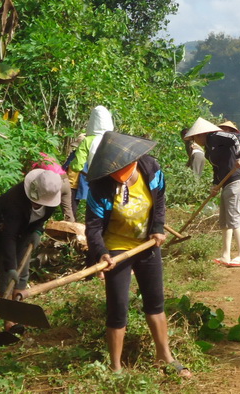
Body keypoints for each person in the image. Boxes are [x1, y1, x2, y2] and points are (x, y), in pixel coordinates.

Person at [85, 131, 191, 377]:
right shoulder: (100, 186)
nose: (121, 180)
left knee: (155, 302)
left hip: (146, 244)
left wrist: (156, 229)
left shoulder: (150, 168)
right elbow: (93, 226)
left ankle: (164, 356)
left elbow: (160, 200)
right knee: (118, 306)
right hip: (117, 247)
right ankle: (116, 367)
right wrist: (101, 253)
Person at [0, 169, 62, 332]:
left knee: (23, 272)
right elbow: (8, 236)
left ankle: (18, 315)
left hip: (24, 230)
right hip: (1, 229)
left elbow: (41, 218)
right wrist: (11, 267)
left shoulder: (51, 200)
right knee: (7, 276)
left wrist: (37, 231)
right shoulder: (14, 201)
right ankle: (8, 322)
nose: (39, 204)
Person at [185, 117, 240, 267]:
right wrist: (215, 185)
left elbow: (237, 137)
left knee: (234, 218)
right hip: (225, 184)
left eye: (194, 138)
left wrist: (239, 157)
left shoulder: (215, 136)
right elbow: (217, 168)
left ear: (202, 134)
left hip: (236, 182)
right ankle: (225, 255)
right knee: (225, 222)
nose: (194, 141)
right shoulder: (208, 149)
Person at [65, 106, 115, 220]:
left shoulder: (88, 140)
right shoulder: (112, 140)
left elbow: (78, 164)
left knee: (73, 202)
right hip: (107, 177)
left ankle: (72, 227)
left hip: (86, 176)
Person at [32, 152, 75, 222]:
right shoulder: (49, 157)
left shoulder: (36, 158)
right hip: (65, 180)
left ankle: (39, 228)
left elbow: (32, 174)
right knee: (68, 211)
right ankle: (72, 230)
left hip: (54, 183)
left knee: (45, 206)